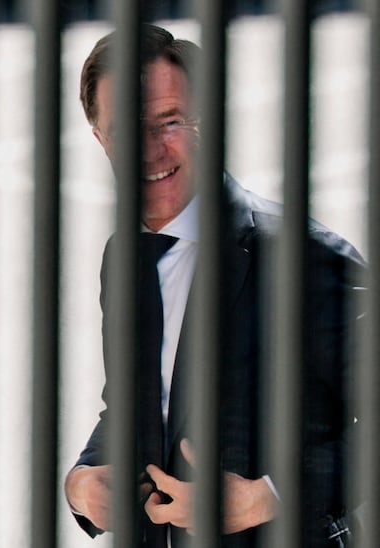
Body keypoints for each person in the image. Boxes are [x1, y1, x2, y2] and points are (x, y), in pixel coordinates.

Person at [64, 25, 365, 547]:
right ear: (100, 138)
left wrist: (270, 496)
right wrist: (82, 482)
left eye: (170, 122)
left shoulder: (305, 256)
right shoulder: (125, 256)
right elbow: (137, 407)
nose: (149, 151)